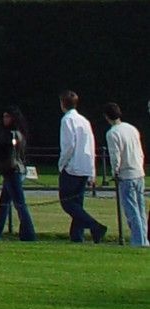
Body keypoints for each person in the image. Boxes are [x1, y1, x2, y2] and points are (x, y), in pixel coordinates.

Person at [57, 90, 107, 243]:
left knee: (67, 203)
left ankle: (95, 226)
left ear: (62, 104)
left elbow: (68, 145)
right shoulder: (84, 121)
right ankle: (77, 236)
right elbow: (91, 146)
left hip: (72, 166)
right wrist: (92, 170)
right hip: (85, 165)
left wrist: (61, 164)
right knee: (77, 203)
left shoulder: (67, 120)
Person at [0, 108, 36, 242]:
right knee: (4, 204)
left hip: (12, 171)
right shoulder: (19, 133)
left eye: (7, 116)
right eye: (4, 116)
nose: (5, 119)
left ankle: (28, 234)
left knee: (19, 204)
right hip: (14, 170)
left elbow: (5, 150)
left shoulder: (10, 134)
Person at [103, 102, 147, 249]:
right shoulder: (131, 128)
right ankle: (143, 240)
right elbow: (140, 150)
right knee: (140, 210)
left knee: (132, 211)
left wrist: (114, 171)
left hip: (126, 175)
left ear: (106, 117)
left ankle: (139, 242)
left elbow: (115, 156)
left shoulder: (112, 133)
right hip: (139, 172)